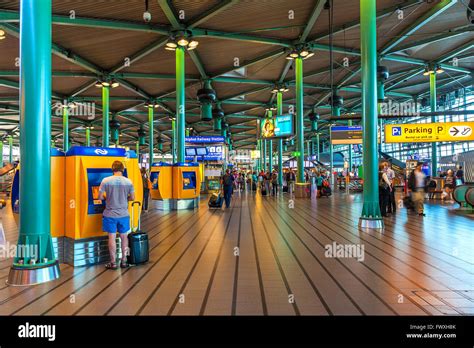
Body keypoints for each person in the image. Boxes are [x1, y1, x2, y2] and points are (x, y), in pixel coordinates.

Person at [99, 161, 135, 270]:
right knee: (124, 238)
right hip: (124, 214)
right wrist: (125, 199)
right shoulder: (128, 182)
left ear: (112, 169)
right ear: (122, 169)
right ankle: (124, 261)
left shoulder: (106, 181)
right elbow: (132, 198)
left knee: (112, 237)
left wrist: (107, 198)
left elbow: (99, 197)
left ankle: (113, 262)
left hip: (110, 214)